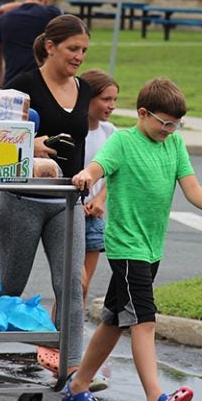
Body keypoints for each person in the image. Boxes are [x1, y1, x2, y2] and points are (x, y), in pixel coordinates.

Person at [63, 77, 202, 401]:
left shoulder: (175, 145)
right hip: (128, 247)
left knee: (113, 320)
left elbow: (191, 186)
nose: (170, 129)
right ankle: (156, 399)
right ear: (142, 113)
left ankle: (77, 387)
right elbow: (98, 167)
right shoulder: (123, 141)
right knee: (144, 320)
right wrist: (85, 176)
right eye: (164, 122)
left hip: (153, 247)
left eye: (175, 124)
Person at [0, 14, 91, 382]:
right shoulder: (23, 85)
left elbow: (97, 132)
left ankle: (72, 369)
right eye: (72, 49)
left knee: (70, 286)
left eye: (84, 50)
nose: (79, 56)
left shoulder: (83, 89)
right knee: (12, 286)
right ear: (50, 47)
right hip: (22, 199)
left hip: (67, 202)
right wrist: (30, 144)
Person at [77, 68, 119, 306]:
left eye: (114, 99)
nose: (111, 105)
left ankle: (64, 340)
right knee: (75, 283)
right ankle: (56, 338)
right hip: (68, 212)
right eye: (106, 99)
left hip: (93, 216)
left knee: (82, 289)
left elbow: (114, 173)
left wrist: (100, 199)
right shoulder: (72, 131)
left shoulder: (110, 132)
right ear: (87, 99)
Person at [0, 0, 62, 88]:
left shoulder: (4, 19)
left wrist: (1, 82)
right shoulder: (52, 14)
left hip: (12, 85)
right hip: (42, 86)